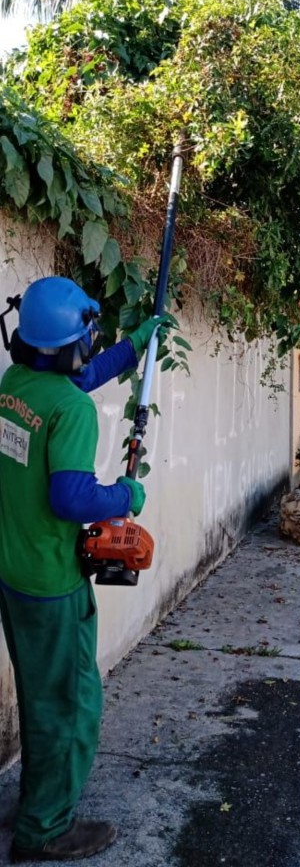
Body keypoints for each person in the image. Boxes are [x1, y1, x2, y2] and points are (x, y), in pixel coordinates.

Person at [0, 276, 169, 862]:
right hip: (51, 582)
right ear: (78, 337)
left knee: (39, 695)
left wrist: (132, 348)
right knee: (71, 706)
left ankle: (32, 800)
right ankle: (44, 829)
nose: (94, 345)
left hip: (12, 573)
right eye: (93, 336)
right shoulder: (70, 411)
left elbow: (74, 377)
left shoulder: (16, 385)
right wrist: (125, 495)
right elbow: (70, 499)